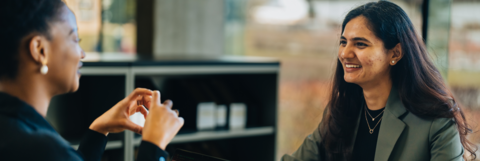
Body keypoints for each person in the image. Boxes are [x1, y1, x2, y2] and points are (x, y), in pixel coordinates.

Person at [282, 1, 476, 161]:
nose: (344, 53)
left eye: (360, 44)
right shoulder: (341, 111)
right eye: (343, 42)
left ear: (395, 53)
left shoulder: (437, 120)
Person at [0, 0, 184, 161]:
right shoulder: (43, 149)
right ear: (40, 50)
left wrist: (99, 129)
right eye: (74, 39)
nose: (82, 54)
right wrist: (154, 147)